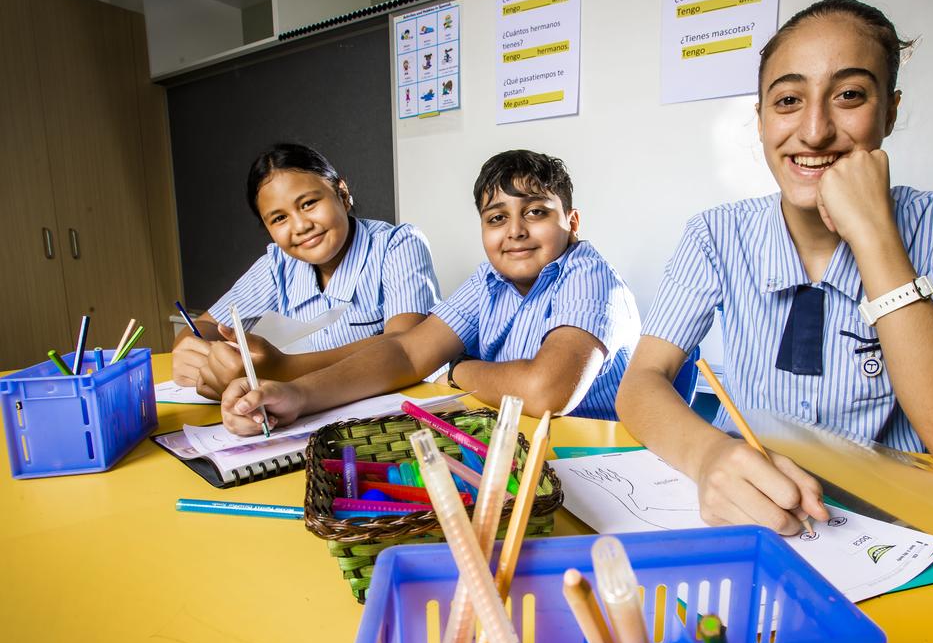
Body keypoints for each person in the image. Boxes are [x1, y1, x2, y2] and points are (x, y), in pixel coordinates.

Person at [617, 0, 933, 535]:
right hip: (759, 506)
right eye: (787, 100)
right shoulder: (716, 233)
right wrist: (708, 457)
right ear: (760, 119)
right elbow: (642, 382)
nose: (813, 131)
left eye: (849, 95)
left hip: (898, 523)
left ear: (891, 111)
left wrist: (875, 235)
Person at [219, 149, 641, 432]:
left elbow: (543, 393)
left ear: (572, 222)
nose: (515, 231)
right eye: (496, 218)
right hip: (516, 441)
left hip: (593, 461)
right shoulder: (488, 280)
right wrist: (296, 395)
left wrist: (454, 370)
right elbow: (406, 352)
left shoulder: (587, 274)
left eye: (536, 212)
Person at [171, 142, 441, 397]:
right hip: (316, 408)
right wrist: (198, 354)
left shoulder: (397, 245)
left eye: (309, 203)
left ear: (342, 195)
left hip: (398, 403)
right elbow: (204, 325)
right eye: (279, 218)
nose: (300, 226)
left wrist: (283, 369)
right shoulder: (278, 264)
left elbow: (406, 344)